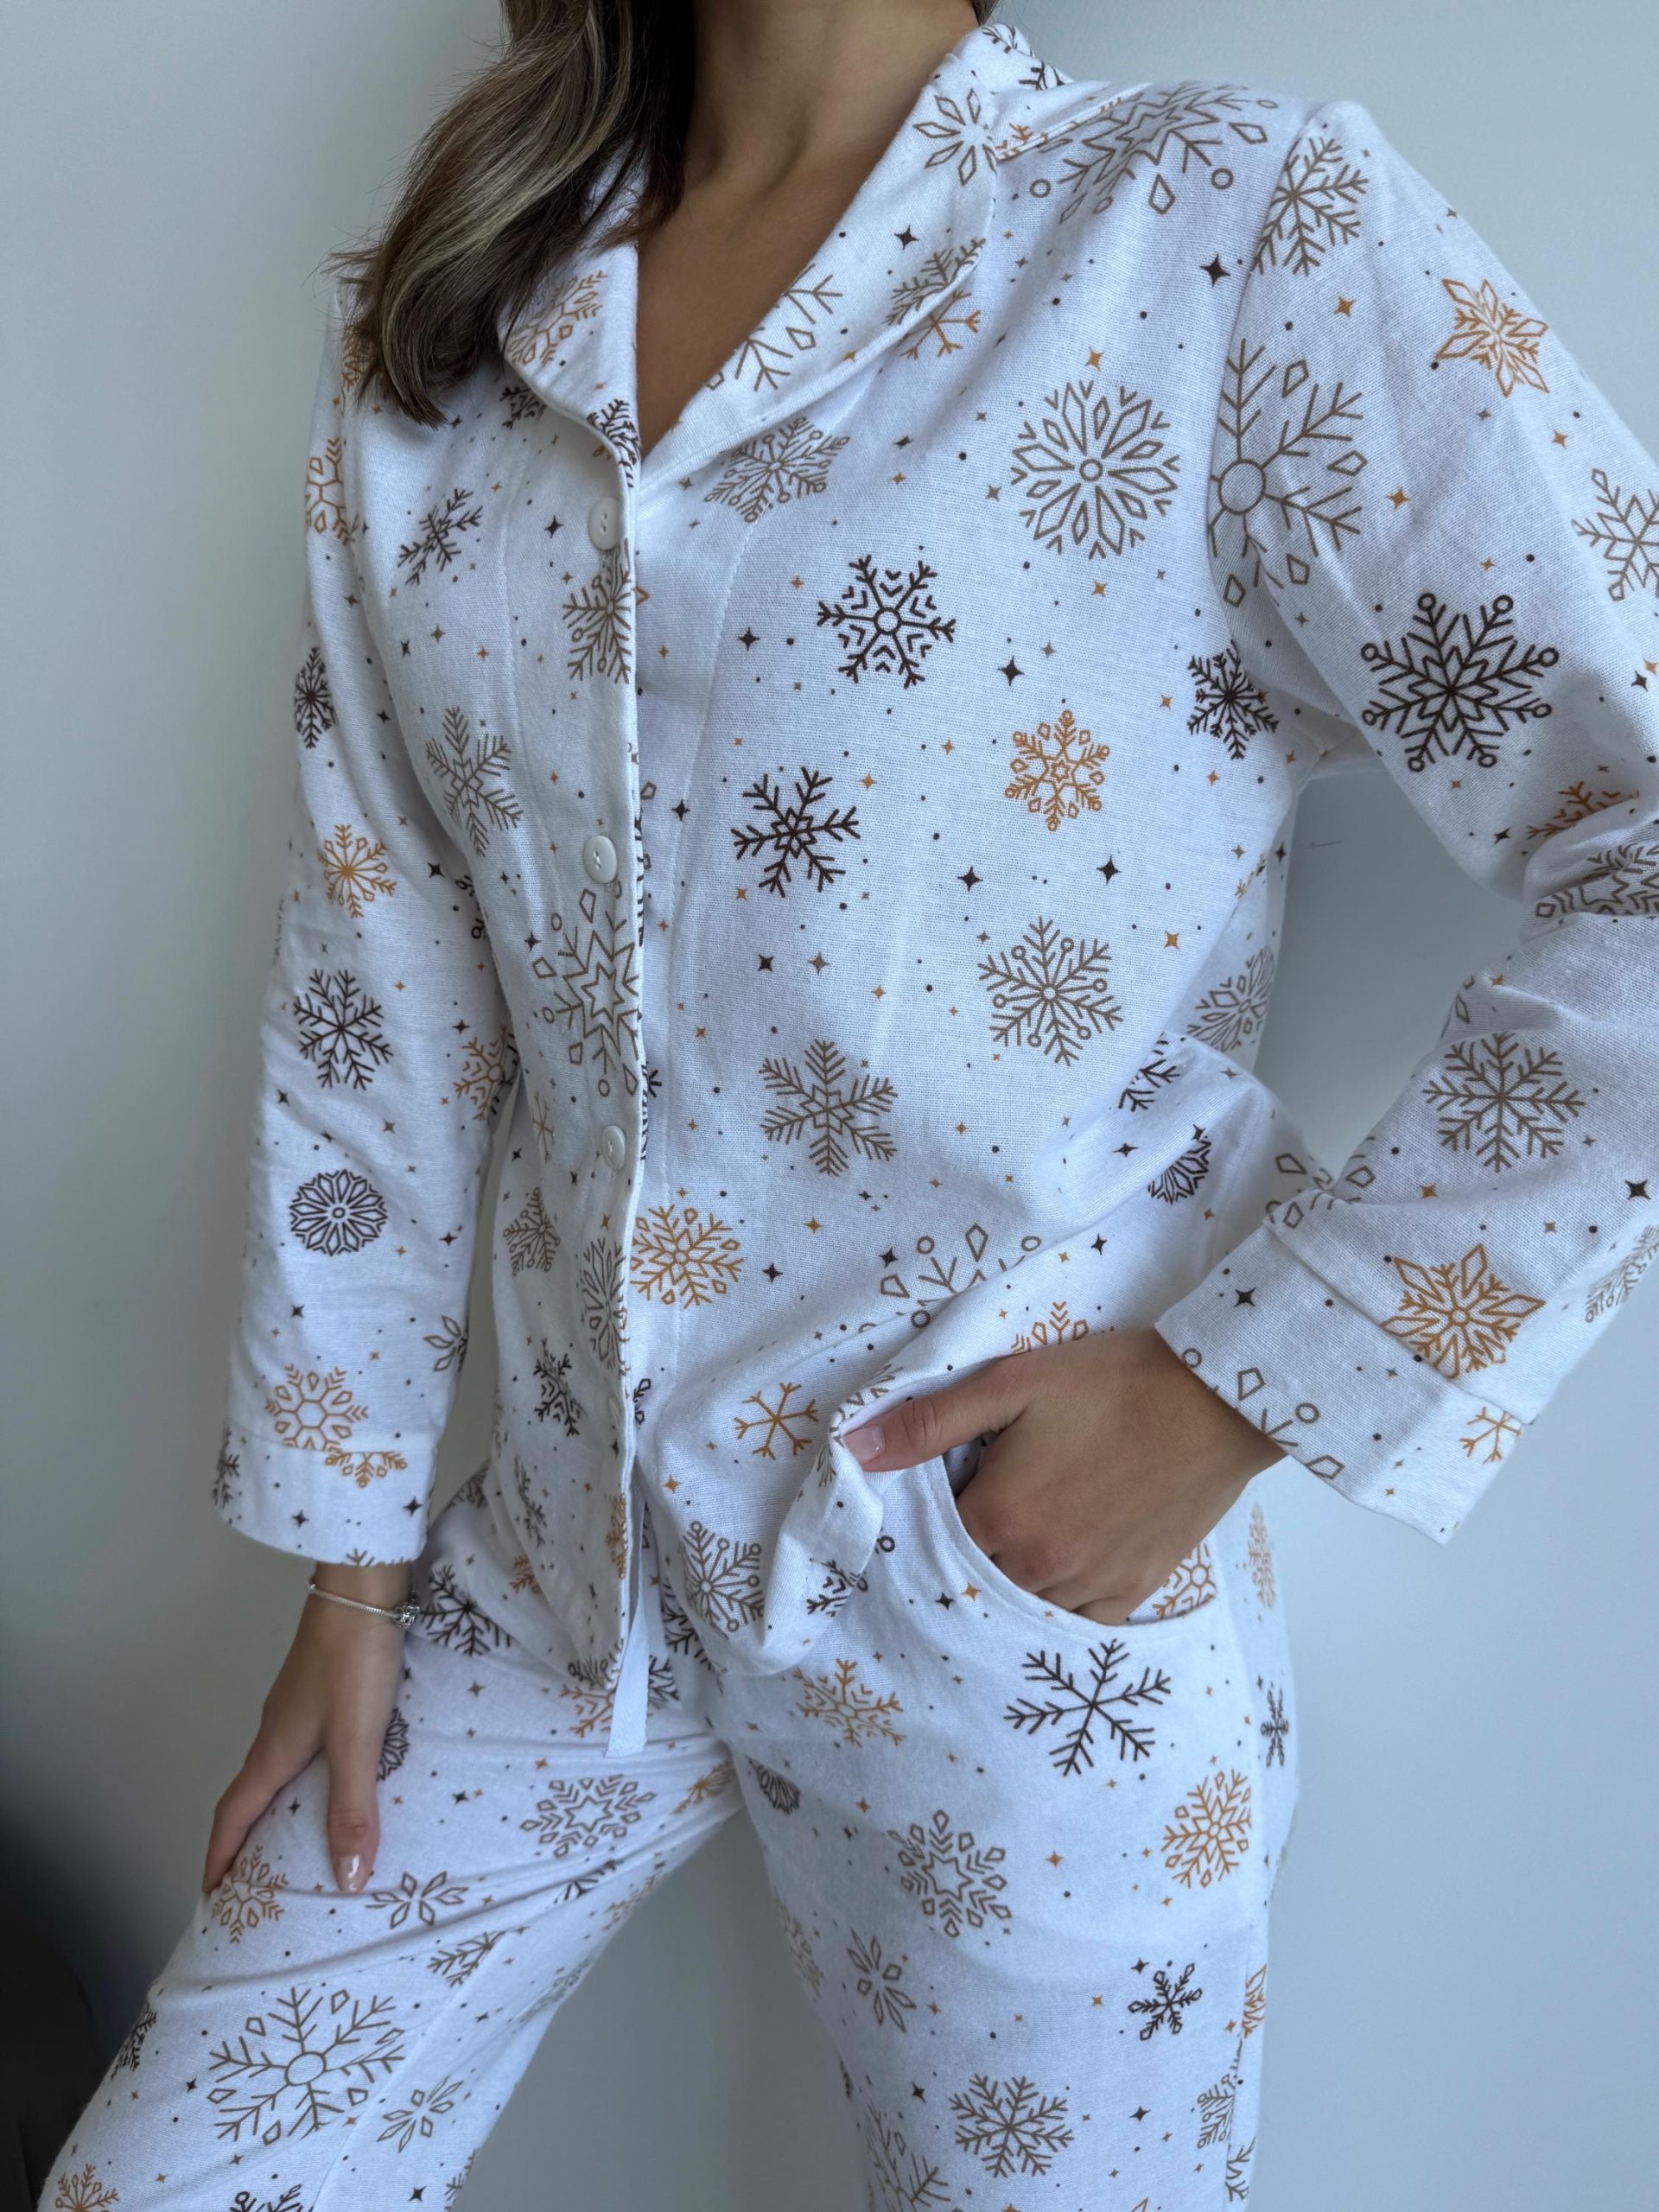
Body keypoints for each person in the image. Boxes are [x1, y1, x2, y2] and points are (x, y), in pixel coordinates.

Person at [45, 3, 1659, 2207]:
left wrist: (1242, 1389)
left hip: (1002, 1583)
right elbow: (383, 968)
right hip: (556, 1561)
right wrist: (351, 1570)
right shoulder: (466, 320)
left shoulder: (1218, 230)